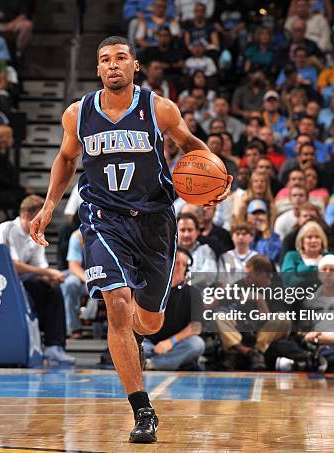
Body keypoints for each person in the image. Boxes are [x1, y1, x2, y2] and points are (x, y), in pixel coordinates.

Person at [28, 36, 230, 444]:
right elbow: (67, 160)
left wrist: (217, 181)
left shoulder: (158, 107)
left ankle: (138, 325)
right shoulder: (77, 114)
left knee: (149, 321)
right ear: (98, 68)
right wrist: (50, 206)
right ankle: (143, 410)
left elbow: (192, 146)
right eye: (105, 60)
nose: (113, 65)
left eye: (121, 58)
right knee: (116, 305)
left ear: (135, 66)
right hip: (104, 219)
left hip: (154, 221)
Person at [0, 195, 75, 366]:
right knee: (43, 283)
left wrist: (50, 277)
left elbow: (41, 267)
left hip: (26, 283)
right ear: (26, 214)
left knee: (52, 288)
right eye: (38, 217)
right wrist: (47, 273)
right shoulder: (7, 229)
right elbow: (13, 266)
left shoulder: (36, 235)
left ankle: (55, 346)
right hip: (4, 283)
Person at [143, 246, 205, 371]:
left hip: (178, 343)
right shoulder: (149, 287)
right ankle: (173, 361)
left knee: (197, 344)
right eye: (176, 263)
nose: (179, 267)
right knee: (134, 343)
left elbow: (196, 327)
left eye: (183, 264)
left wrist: (171, 342)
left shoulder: (194, 293)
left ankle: (152, 364)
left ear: (187, 269)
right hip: (149, 343)